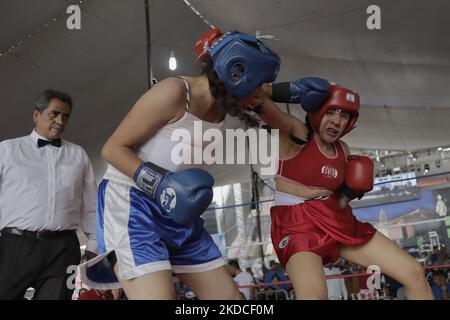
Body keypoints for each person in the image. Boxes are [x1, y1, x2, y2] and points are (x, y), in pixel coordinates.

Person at [79, 28, 280, 299]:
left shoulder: (226, 106)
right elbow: (113, 149)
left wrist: (301, 93)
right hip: (133, 204)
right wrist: (161, 184)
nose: (260, 95)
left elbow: (277, 114)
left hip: (180, 213)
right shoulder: (174, 92)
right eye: (258, 86)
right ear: (236, 73)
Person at [248, 80, 434, 299]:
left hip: (336, 217)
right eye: (332, 112)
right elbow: (256, 98)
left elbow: (339, 200)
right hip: (297, 225)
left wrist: (347, 193)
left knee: (414, 273)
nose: (337, 121)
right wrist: (276, 90)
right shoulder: (297, 134)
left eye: (344, 116)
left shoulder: (343, 151)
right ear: (317, 112)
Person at [0, 89, 98, 300]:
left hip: (64, 248)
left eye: (65, 116)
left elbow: (91, 203)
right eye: (54, 114)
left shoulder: (78, 155)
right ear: (36, 115)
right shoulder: (7, 150)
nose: (60, 120)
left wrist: (93, 242)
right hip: (14, 245)